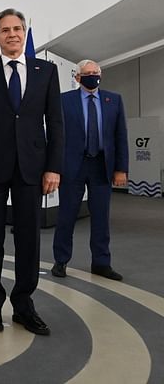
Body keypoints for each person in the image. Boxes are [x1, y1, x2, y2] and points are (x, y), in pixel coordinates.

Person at [0, 8, 63, 336]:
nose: (12, 34)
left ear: (24, 32)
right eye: (4, 30)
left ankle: (23, 305)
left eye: (17, 28)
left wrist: (53, 167)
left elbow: (56, 124)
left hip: (32, 169)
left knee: (29, 238)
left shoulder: (46, 71)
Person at [52, 60, 128, 281]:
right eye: (87, 73)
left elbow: (120, 136)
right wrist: (54, 167)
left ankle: (101, 263)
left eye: (95, 73)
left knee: (101, 218)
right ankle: (61, 261)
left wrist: (121, 168)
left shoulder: (114, 100)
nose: (92, 76)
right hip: (72, 165)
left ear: (101, 75)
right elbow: (56, 136)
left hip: (102, 166)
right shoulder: (64, 100)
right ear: (77, 77)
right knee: (66, 215)